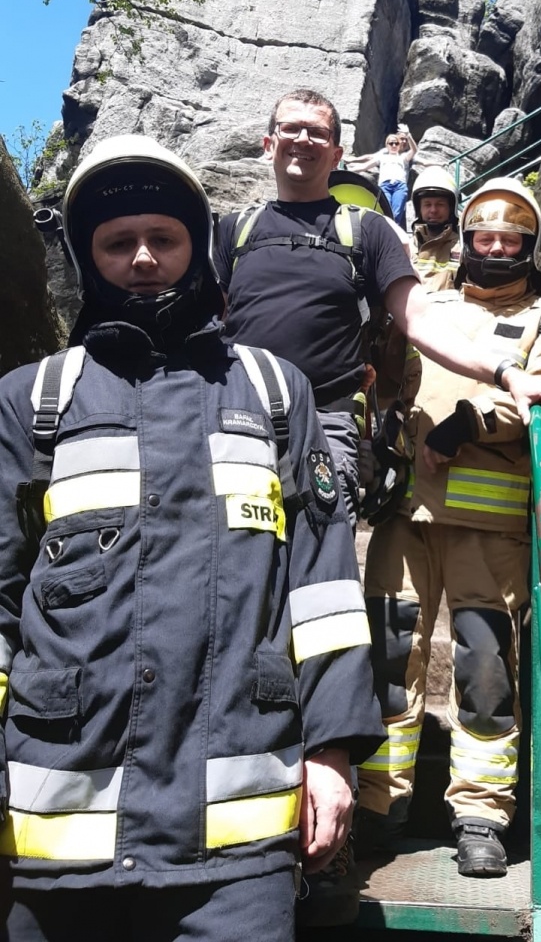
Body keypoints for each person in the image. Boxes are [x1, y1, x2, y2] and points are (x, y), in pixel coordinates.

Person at [0, 137, 384, 942]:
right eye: (117, 242)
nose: (143, 258)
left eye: (164, 239)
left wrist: (336, 754)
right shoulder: (31, 402)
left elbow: (321, 588)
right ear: (87, 256)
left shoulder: (276, 390)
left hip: (235, 854)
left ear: (197, 248)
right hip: (54, 837)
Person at [356, 179, 541, 879]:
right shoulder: (432, 307)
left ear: (528, 244)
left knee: (484, 669)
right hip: (404, 514)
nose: (492, 248)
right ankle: (375, 803)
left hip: (488, 521)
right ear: (463, 237)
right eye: (481, 236)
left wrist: (470, 423)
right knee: (389, 657)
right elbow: (387, 382)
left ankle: (481, 813)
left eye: (507, 239)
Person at [215, 88, 541, 532]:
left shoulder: (368, 231)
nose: (303, 139)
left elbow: (418, 319)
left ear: (337, 152)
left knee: (319, 567)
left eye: (317, 132)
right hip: (237, 416)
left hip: (323, 423)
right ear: (269, 143)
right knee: (232, 564)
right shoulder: (233, 230)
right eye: (291, 128)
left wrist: (506, 374)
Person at [345, 125, 417, 228]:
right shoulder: (382, 157)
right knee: (385, 212)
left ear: (399, 145)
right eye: (391, 143)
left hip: (399, 186)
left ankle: (393, 237)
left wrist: (408, 135)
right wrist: (347, 170)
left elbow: (414, 150)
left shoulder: (403, 158)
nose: (393, 145)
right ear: (387, 145)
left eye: (396, 143)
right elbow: (364, 166)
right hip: (385, 186)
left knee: (396, 214)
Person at [409, 166, 460, 291]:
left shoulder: (463, 247)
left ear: (451, 208)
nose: (433, 210)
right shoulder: (407, 248)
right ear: (418, 209)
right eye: (427, 204)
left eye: (440, 204)